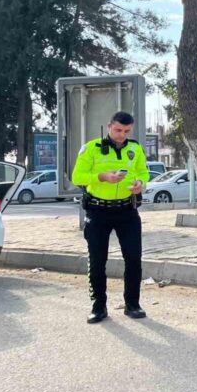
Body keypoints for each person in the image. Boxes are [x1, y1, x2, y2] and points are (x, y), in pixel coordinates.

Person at [72, 111, 150, 324]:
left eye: (126, 131)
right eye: (118, 130)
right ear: (109, 127)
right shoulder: (92, 148)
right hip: (98, 211)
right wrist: (102, 177)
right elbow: (77, 176)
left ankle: (132, 304)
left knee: (133, 259)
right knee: (97, 260)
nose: (121, 135)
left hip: (127, 211)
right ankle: (98, 306)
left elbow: (144, 173)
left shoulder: (135, 148)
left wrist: (140, 185)